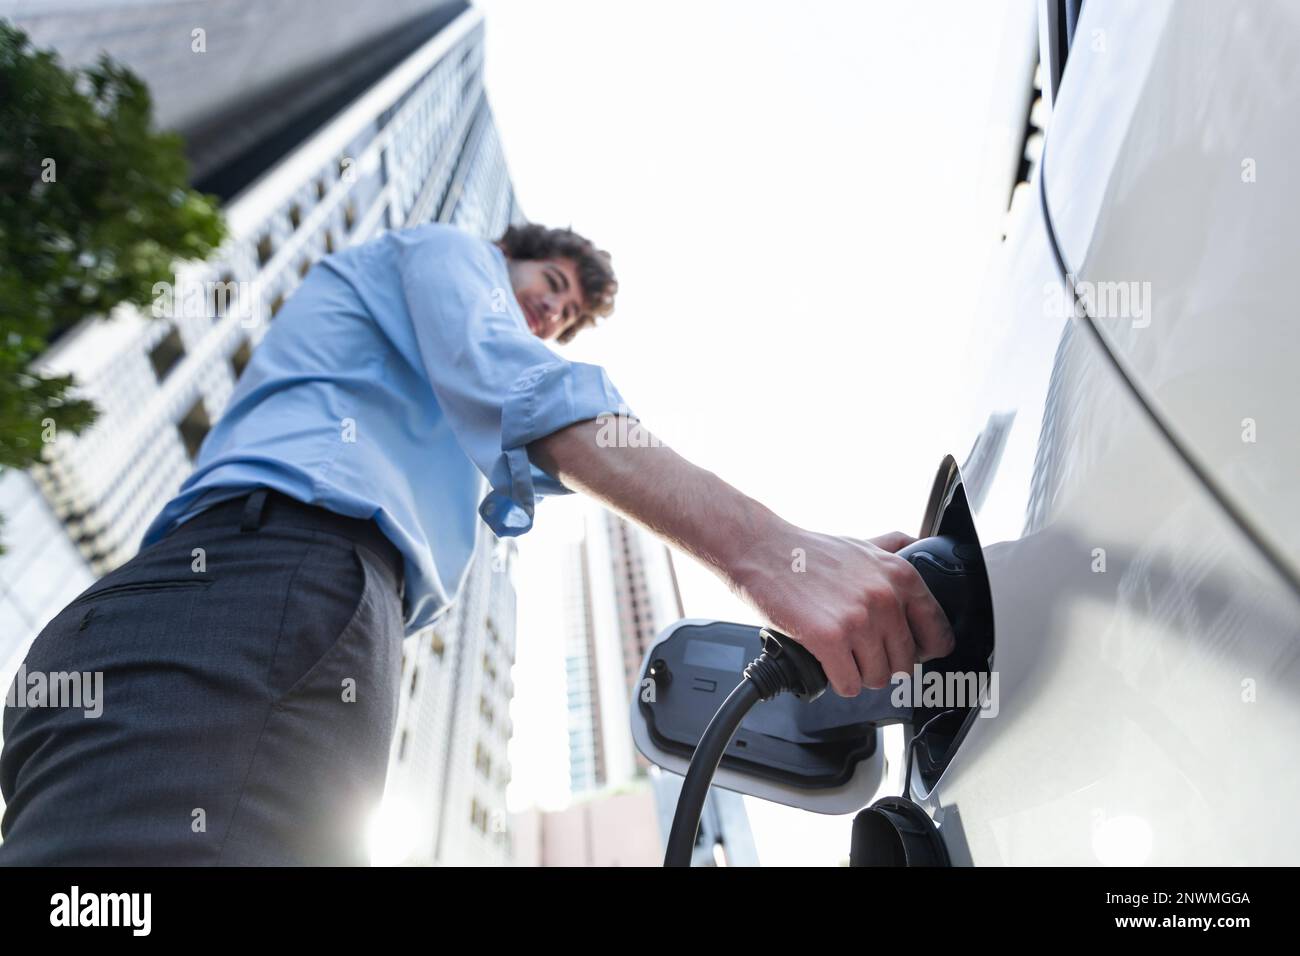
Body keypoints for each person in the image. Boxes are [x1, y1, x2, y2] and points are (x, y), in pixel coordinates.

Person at [0, 221, 954, 865]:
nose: (554, 315)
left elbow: (568, 451)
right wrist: (776, 553)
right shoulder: (445, 249)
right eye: (549, 288)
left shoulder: (436, 410)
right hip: (258, 594)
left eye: (569, 315)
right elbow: (534, 392)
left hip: (258, 615)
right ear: (503, 258)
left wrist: (818, 556)